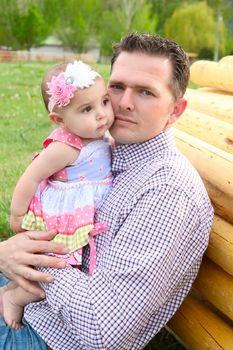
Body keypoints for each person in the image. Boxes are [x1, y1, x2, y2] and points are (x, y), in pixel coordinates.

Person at [0, 33, 213, 350]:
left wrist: (29, 256)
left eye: (145, 92)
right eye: (117, 87)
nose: (124, 102)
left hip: (46, 336)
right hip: (31, 302)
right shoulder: (106, 151)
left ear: (175, 111)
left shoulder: (167, 192)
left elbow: (103, 333)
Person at [0, 60, 114, 329]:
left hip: (81, 208)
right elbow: (32, 175)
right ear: (59, 120)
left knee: (42, 266)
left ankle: (8, 291)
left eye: (105, 101)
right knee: (56, 265)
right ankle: (16, 297)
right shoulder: (67, 147)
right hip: (64, 218)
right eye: (87, 109)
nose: (101, 114)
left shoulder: (97, 135)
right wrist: (17, 213)